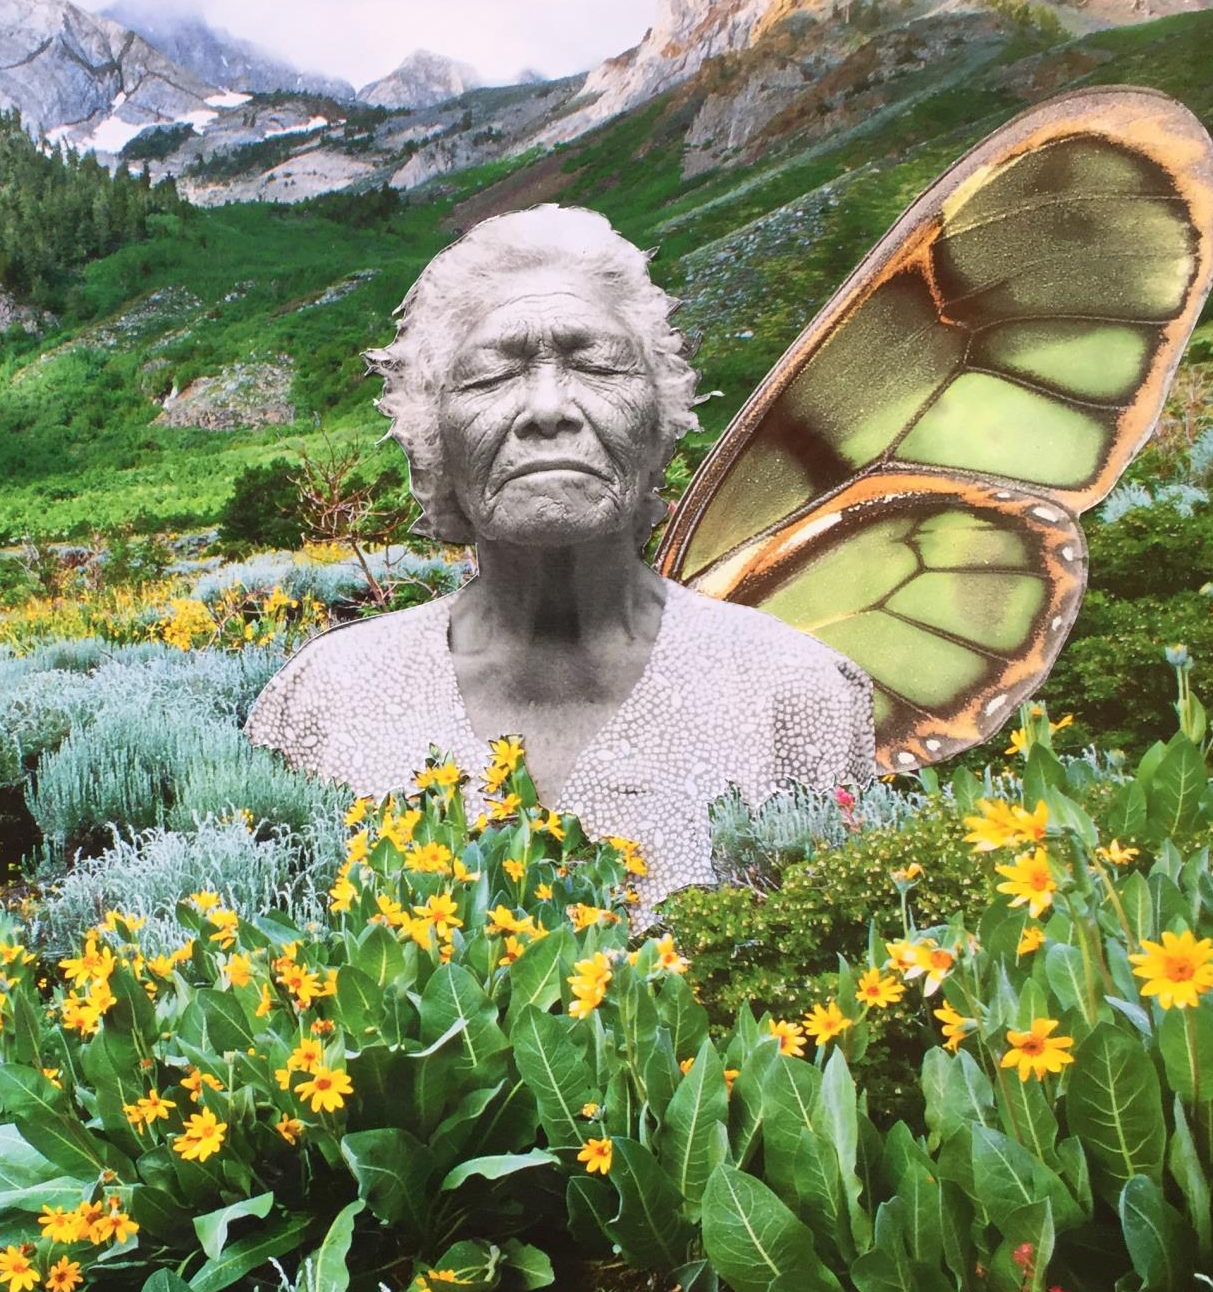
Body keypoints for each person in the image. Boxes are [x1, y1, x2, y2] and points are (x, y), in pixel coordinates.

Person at [244, 204, 874, 903]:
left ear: (661, 425)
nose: (549, 408)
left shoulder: (795, 697)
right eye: (490, 375)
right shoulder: (325, 700)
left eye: (596, 365)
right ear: (432, 443)